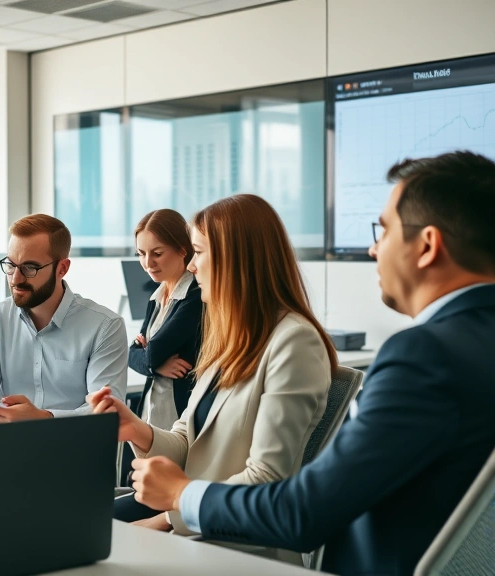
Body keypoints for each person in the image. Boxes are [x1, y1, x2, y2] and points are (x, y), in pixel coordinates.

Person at [130, 151, 495, 576]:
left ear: (428, 245)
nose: (375, 248)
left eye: (385, 230)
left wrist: (181, 495)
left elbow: (302, 513)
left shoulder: (424, 357)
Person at [91, 194, 335, 566]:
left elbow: (266, 479)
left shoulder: (294, 342)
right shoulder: (230, 339)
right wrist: (136, 429)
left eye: (198, 253)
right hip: (193, 532)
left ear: (236, 260)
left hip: (238, 548)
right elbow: (188, 443)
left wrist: (172, 509)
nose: (191, 267)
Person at [0, 214, 128, 425]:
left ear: (62, 268)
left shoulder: (104, 326)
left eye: (30, 268)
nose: (16, 278)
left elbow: (106, 412)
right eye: (11, 265)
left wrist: (42, 419)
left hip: (74, 452)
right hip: (7, 448)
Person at [128, 209, 203, 431]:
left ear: (182, 249)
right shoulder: (157, 297)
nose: (148, 262)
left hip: (179, 420)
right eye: (141, 253)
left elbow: (151, 354)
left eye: (157, 253)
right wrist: (156, 367)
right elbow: (131, 354)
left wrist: (149, 358)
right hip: (151, 415)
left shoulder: (195, 297)